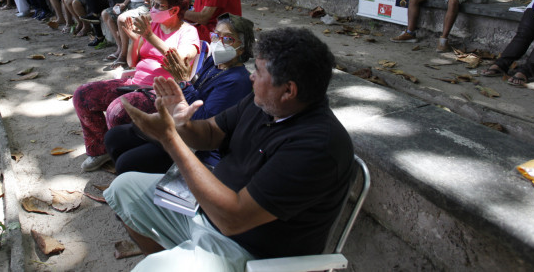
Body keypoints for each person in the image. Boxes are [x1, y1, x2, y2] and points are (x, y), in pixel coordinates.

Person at [104, 27, 354, 271]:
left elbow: (233, 220)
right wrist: (181, 121)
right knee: (123, 188)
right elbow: (211, 133)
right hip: (206, 209)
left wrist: (170, 139)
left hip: (246, 248)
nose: (251, 76)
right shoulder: (265, 103)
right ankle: (173, 254)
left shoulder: (316, 146)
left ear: (288, 90)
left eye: (257, 70)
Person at [72, 0, 200, 172]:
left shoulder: (188, 32)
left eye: (158, 5)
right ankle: (99, 150)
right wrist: (135, 39)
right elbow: (133, 62)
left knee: (118, 111)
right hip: (134, 83)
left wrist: (148, 37)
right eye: (153, 3)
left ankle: (127, 160)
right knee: (83, 95)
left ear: (174, 10)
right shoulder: (153, 26)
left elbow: (179, 58)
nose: (153, 8)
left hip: (160, 92)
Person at [104, 13, 254, 174]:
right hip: (181, 126)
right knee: (114, 137)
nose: (219, 42)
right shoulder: (215, 63)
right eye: (216, 36)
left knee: (127, 163)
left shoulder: (237, 81)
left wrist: (183, 83)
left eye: (228, 39)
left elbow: (202, 122)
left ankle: (138, 186)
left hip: (199, 143)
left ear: (242, 48)